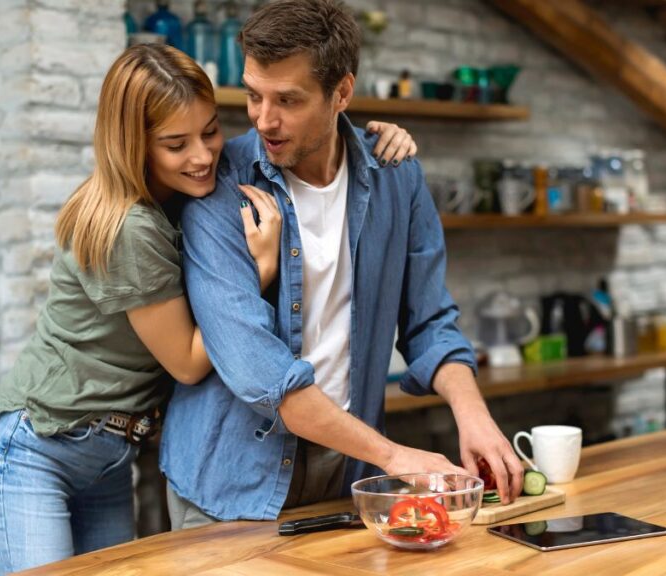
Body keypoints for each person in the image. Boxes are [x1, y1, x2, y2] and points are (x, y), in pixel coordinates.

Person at [0, 43, 417, 575]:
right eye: (176, 144)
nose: (202, 155)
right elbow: (188, 362)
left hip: (110, 457)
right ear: (134, 144)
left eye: (208, 132)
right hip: (35, 452)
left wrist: (372, 137)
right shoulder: (129, 226)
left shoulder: (186, 193)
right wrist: (260, 272)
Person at [162, 0, 525, 530]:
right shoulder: (218, 184)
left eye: (288, 100)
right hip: (231, 478)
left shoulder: (396, 176)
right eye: (254, 94)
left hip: (347, 469)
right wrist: (397, 458)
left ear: (342, 93)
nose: (264, 118)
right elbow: (261, 373)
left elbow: (430, 324)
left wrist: (475, 417)